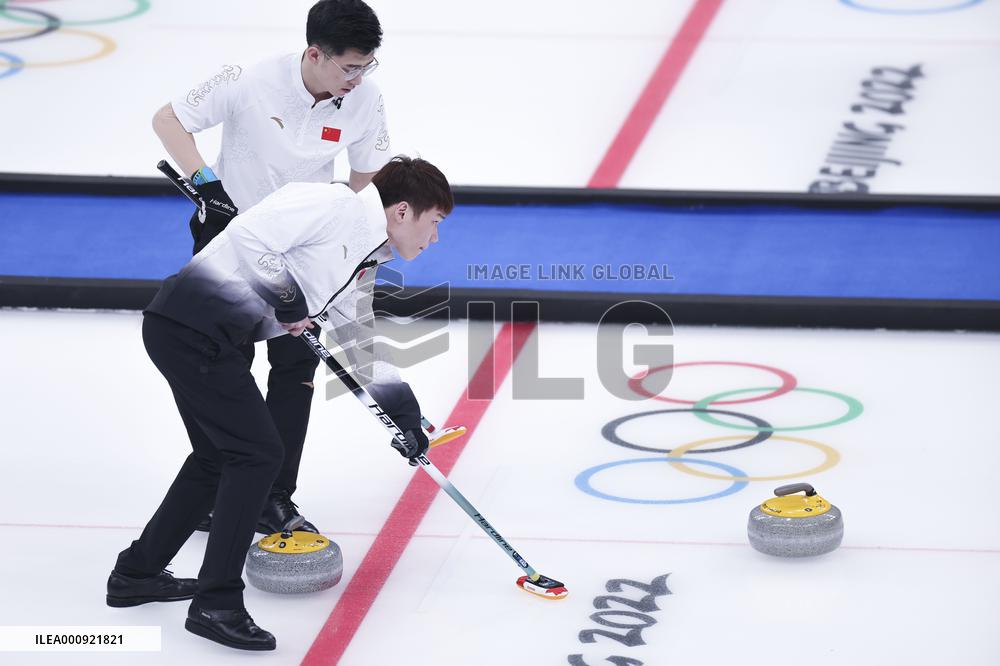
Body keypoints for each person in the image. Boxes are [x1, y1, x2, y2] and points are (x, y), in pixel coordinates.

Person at [106, 156, 454, 651]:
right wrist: (289, 298)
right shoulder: (331, 202)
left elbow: (359, 343)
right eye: (435, 223)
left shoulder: (365, 256)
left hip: (205, 337)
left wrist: (405, 417)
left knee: (215, 458)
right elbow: (250, 237)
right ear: (402, 211)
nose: (434, 237)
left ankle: (136, 573)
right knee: (257, 454)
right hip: (192, 326)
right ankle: (217, 603)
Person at [152, 0, 391, 535]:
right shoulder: (249, 80)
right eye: (350, 67)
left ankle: (274, 495)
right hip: (229, 240)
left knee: (294, 369)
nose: (359, 78)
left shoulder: (365, 98)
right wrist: (208, 185)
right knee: (217, 365)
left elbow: (367, 172)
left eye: (367, 66)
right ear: (314, 53)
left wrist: (339, 231)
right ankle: (219, 476)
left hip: (302, 252)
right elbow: (168, 120)